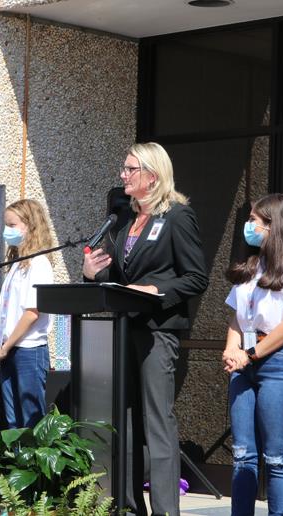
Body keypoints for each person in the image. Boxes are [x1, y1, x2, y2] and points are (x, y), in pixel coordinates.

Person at [82, 142, 208, 516]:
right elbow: (121, 277)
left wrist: (157, 290)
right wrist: (93, 276)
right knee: (127, 420)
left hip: (157, 330)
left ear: (152, 176)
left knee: (157, 420)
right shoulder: (124, 220)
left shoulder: (177, 217)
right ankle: (128, 504)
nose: (123, 175)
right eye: (124, 169)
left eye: (129, 169)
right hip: (125, 329)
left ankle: (166, 510)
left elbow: (196, 277)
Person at [222, 194, 283, 516]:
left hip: (281, 362)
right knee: (243, 453)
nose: (249, 227)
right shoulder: (254, 263)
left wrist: (250, 354)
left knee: (276, 456)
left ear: (274, 225)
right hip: (245, 363)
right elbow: (236, 316)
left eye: (255, 221)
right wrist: (232, 348)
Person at [0, 198, 56, 428]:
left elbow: (32, 312)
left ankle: (33, 463)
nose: (6, 231)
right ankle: (16, 461)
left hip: (28, 350)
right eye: (6, 225)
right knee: (13, 421)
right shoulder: (18, 264)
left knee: (30, 419)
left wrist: (6, 347)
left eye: (12, 226)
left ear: (30, 226)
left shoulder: (39, 264)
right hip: (9, 350)